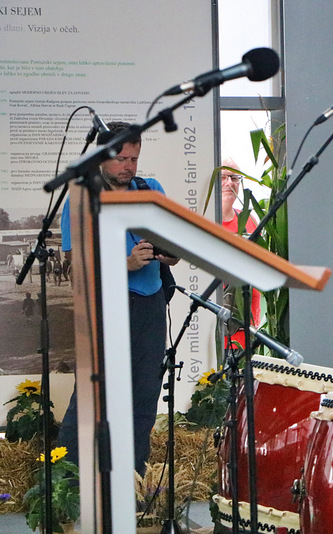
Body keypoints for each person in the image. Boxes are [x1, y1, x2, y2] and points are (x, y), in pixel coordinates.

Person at [59, 121, 180, 476]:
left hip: (150, 305)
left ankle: (134, 479)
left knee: (144, 396)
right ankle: (68, 483)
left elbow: (174, 253)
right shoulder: (81, 197)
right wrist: (124, 264)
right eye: (121, 159)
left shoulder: (151, 189)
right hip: (105, 306)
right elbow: (74, 270)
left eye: (134, 159)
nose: (129, 166)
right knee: (92, 396)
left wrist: (169, 254)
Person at [218, 157, 261, 350]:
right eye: (223, 177)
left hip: (247, 325)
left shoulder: (249, 221)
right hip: (221, 327)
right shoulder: (207, 223)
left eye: (235, 178)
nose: (229, 183)